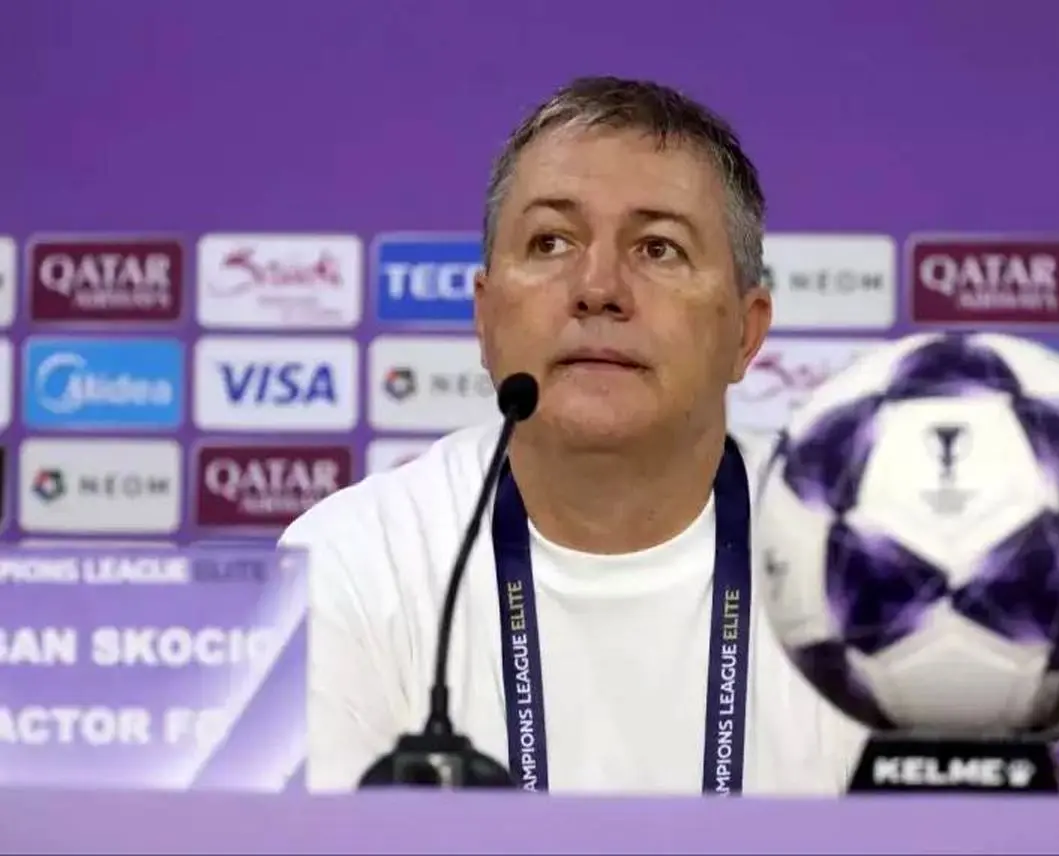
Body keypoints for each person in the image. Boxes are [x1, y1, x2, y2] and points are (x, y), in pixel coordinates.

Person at [283, 75, 868, 795]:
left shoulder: (856, 567)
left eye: (658, 248)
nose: (598, 289)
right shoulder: (352, 563)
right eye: (551, 242)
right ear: (485, 317)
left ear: (745, 334)